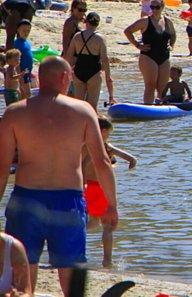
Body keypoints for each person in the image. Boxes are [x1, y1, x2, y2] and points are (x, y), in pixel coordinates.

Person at [0, 56, 118, 296]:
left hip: (25, 200)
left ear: (39, 78)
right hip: (68, 201)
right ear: (64, 77)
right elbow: (102, 162)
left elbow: (2, 167)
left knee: (24, 273)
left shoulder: (14, 112)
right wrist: (112, 205)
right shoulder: (83, 110)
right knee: (72, 270)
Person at [82, 116, 136, 268]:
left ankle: (70, 239)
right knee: (108, 224)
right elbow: (132, 159)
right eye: (109, 133)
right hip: (99, 188)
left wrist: (83, 183)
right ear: (103, 131)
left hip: (89, 188)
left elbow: (132, 159)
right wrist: (126, 170)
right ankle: (107, 260)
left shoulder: (91, 144)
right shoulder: (100, 146)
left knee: (92, 222)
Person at [124, 0, 175, 104]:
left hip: (164, 56)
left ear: (162, 7)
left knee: (162, 86)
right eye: (152, 7)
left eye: (157, 7)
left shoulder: (167, 21)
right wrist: (137, 45)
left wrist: (172, 45)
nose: (154, 10)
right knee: (151, 85)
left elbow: (173, 34)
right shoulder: (145, 21)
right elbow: (128, 31)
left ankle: (161, 109)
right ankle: (148, 106)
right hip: (148, 56)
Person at [64, 12, 113, 110]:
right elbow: (104, 59)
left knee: (78, 106)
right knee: (92, 107)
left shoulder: (77, 36)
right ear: (98, 23)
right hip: (94, 73)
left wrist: (68, 73)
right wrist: (108, 77)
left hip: (78, 72)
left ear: (86, 22)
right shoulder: (100, 38)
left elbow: (68, 56)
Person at [12, 21, 33, 101]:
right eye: (24, 30)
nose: (26, 33)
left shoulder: (27, 42)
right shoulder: (17, 43)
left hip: (28, 71)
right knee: (27, 94)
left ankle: (22, 110)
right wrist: (19, 74)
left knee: (24, 94)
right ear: (18, 30)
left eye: (28, 30)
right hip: (22, 72)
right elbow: (16, 60)